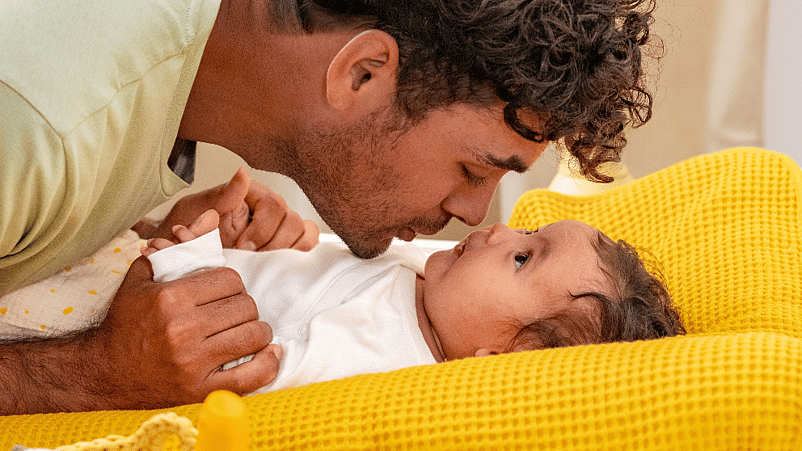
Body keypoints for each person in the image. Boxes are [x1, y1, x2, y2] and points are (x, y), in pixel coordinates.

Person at [0, 0, 658, 413]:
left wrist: (147, 229)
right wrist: (92, 374)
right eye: (473, 168)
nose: (476, 215)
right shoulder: (37, 133)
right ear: (363, 72)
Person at [140, 208, 684, 393]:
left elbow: (245, 376)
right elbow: (322, 261)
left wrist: (190, 270)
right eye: (528, 230)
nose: (498, 231)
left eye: (523, 258)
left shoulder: (383, 357)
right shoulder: (433, 281)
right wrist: (274, 239)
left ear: (500, 361)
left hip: (139, 312)